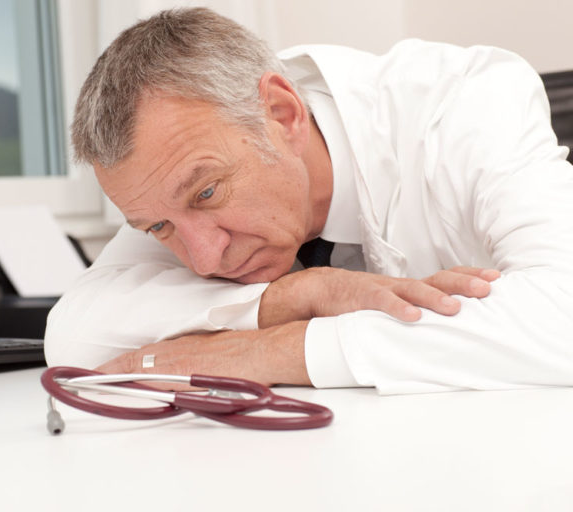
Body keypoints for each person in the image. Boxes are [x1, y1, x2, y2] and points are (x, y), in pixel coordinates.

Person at [44, 7, 573, 394]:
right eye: (157, 228)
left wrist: (268, 352)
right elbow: (74, 339)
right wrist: (297, 296)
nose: (204, 259)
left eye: (208, 193)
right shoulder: (173, 180)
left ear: (282, 114)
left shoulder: (465, 102)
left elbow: (563, 316)